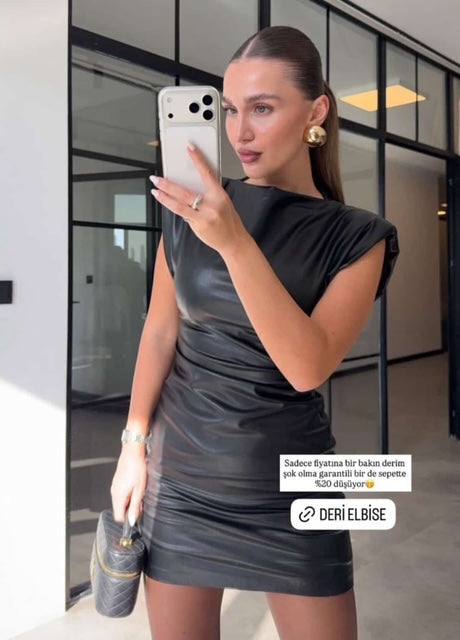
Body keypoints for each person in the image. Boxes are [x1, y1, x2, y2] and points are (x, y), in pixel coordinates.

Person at [110, 25, 400, 640]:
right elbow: (159, 332)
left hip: (295, 490)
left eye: (262, 109)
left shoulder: (359, 236)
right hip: (181, 483)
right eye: (231, 110)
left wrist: (235, 242)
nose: (239, 132)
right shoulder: (189, 210)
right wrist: (132, 446)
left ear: (316, 113)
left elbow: (306, 367)